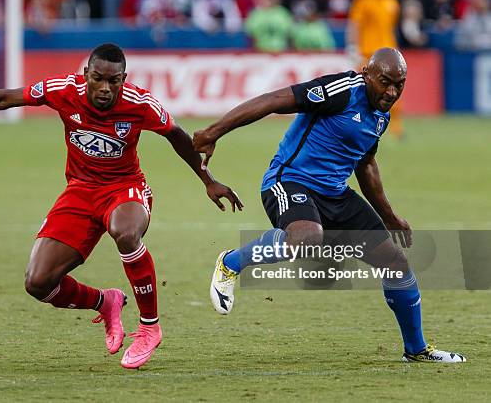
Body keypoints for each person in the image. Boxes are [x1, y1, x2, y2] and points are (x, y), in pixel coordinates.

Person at [0, 43, 243, 369]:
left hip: (125, 188)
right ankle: (104, 302)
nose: (105, 87)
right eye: (98, 78)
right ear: (85, 74)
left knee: (124, 233)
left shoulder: (140, 104)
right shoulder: (63, 90)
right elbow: (5, 98)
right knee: (38, 283)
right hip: (79, 193)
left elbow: (178, 136)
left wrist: (207, 179)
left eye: (114, 80)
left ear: (124, 79)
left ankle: (150, 327)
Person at [193, 48, 466, 363]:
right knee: (307, 238)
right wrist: (214, 131)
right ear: (366, 73)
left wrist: (389, 216)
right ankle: (230, 262)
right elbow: (273, 100)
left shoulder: (381, 115)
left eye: (399, 84)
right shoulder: (341, 91)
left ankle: (416, 350)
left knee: (395, 264)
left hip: (335, 194)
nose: (391, 92)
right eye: (385, 82)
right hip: (289, 181)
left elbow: (365, 165)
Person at [347, 0, 403, 140]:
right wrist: (353, 48)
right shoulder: (363, 1)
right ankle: (358, 126)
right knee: (362, 92)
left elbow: (392, 29)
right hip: (367, 55)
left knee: (393, 91)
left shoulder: (393, 3)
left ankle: (395, 128)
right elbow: (354, 25)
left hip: (388, 54)